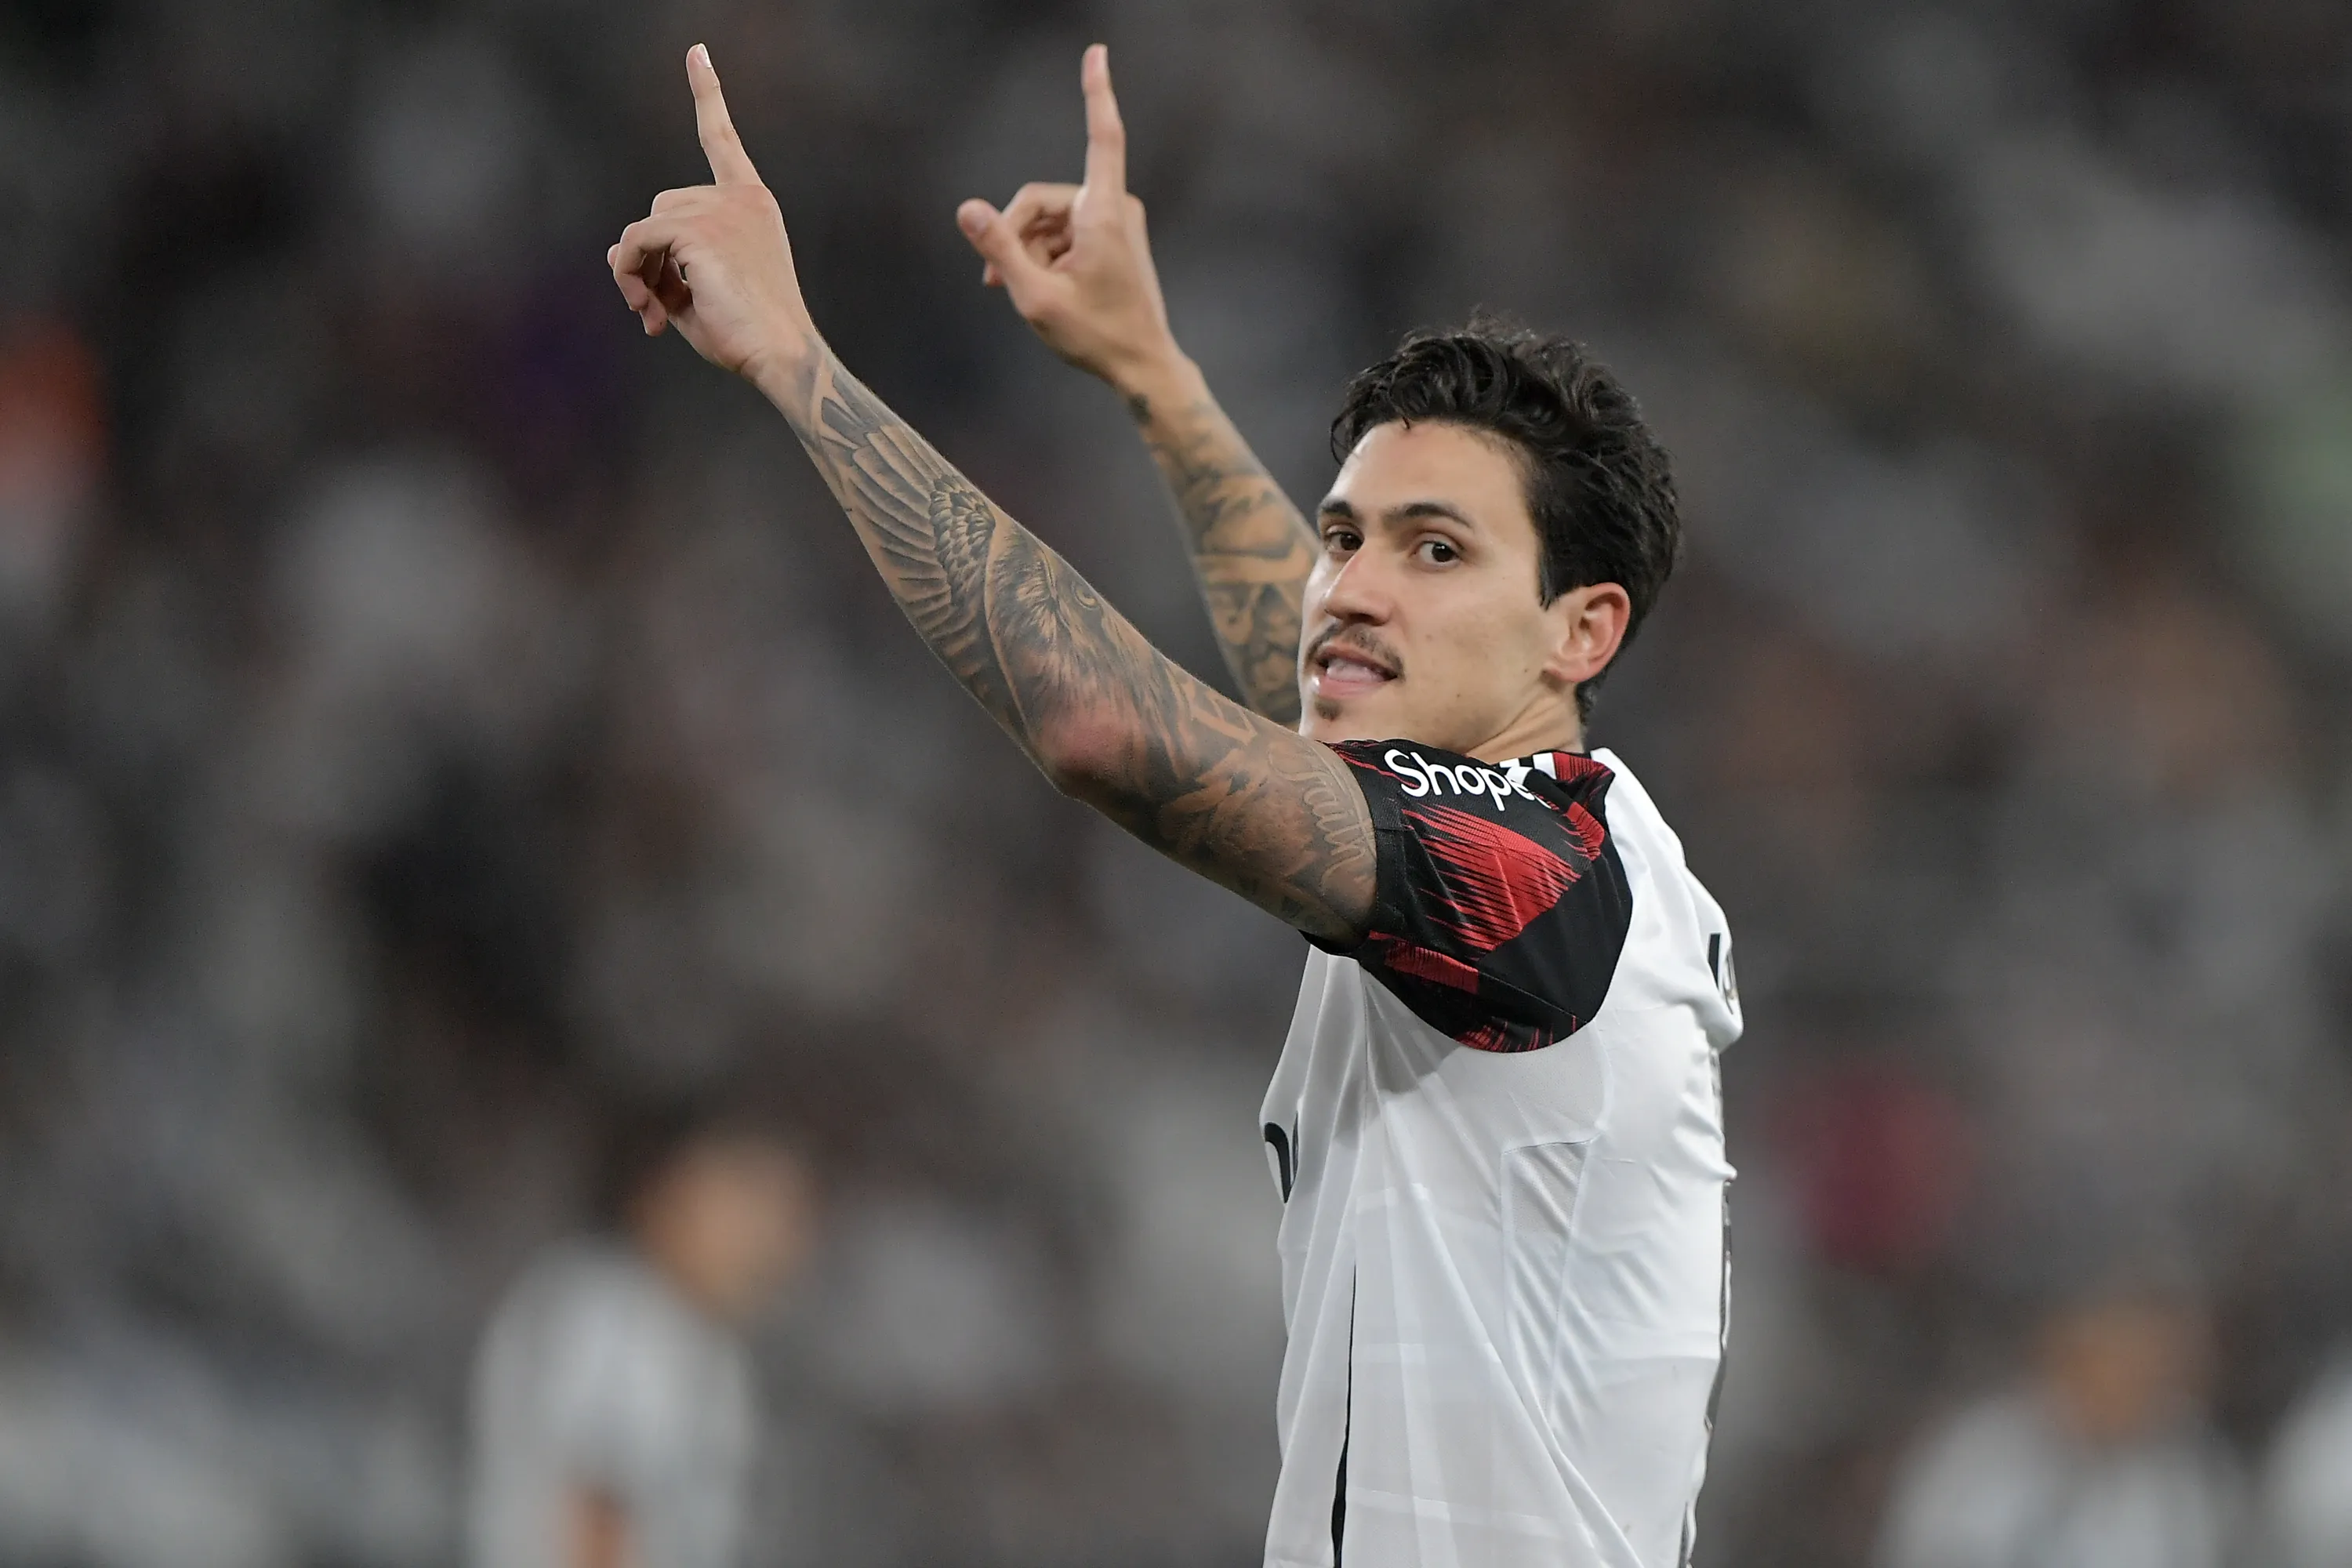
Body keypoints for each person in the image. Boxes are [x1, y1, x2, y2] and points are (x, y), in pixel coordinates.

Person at [607, 43, 1740, 1568]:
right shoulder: (1550, 844)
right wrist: (1159, 380)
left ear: (1580, 633)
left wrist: (800, 362)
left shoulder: (1533, 872)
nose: (1353, 585)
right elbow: (1323, 667)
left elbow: (1109, 729)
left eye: (1438, 549)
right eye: (1351, 535)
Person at [466, 1095, 816, 1568]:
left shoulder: (703, 1349)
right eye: (746, 1195)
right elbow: (593, 1519)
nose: (769, 1233)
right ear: (663, 1191)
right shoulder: (612, 1321)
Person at [1875, 1276, 2242, 1568]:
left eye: (2150, 1371)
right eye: (2115, 1363)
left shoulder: (2183, 1483)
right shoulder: (1980, 1453)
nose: (2131, 1385)